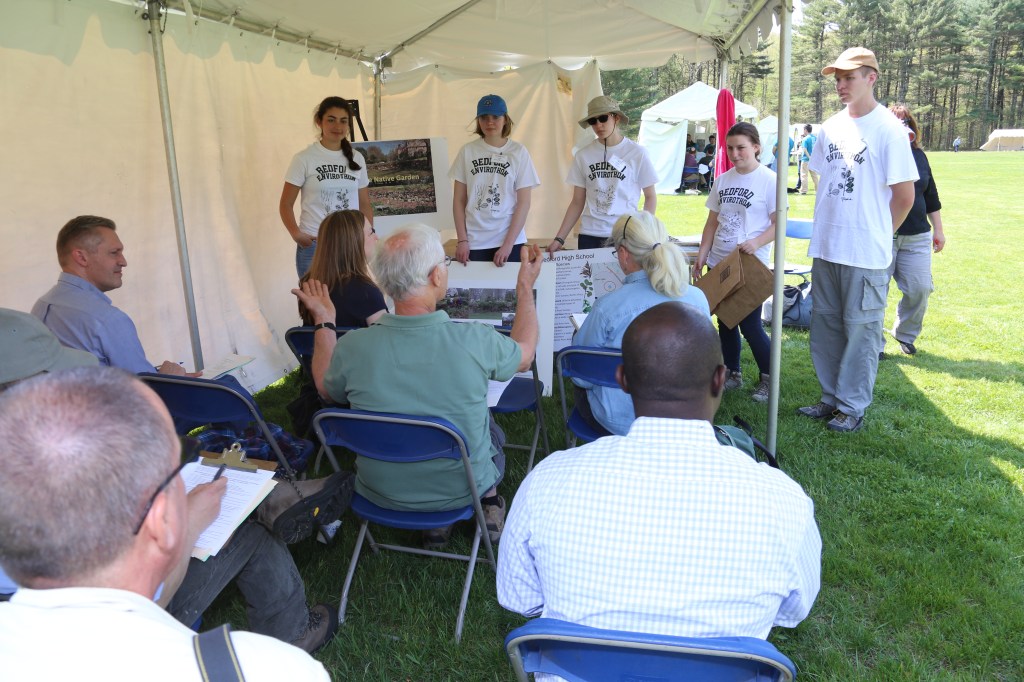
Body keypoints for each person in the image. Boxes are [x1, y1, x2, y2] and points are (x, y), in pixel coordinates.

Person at [0, 308, 345, 653]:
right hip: (106, 639)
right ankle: (293, 630)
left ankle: (266, 497)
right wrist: (190, 522)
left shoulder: (25, 465)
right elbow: (129, 597)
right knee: (244, 521)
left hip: (55, 628)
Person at [497, 302, 821, 656]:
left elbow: (523, 599)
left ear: (622, 379)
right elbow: (792, 611)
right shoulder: (783, 500)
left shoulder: (548, 481)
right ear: (720, 379)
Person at [294, 225, 543, 547]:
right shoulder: (474, 340)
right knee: (489, 428)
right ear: (436, 276)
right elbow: (524, 356)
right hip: (461, 487)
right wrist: (524, 286)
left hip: (379, 490)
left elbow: (326, 391)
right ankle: (489, 503)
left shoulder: (353, 347)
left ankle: (438, 528)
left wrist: (325, 322)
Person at [797, 47, 917, 433]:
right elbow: (820, 177)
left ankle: (852, 406)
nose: (841, 85)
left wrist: (879, 231)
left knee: (862, 330)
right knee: (826, 326)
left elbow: (904, 197)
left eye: (849, 77)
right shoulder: (830, 126)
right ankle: (830, 399)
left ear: (872, 78)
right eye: (837, 79)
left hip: (866, 253)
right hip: (827, 245)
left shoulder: (889, 130)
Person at [574, 211, 710, 435]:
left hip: (618, 424)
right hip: (684, 418)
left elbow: (580, 374)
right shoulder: (698, 299)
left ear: (624, 253)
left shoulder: (607, 308)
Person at [692, 122, 777, 403]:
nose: (735, 153)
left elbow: (779, 225)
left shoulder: (769, 180)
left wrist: (756, 242)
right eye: (730, 148)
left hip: (750, 264)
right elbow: (711, 221)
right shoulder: (723, 179)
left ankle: (768, 379)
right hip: (720, 261)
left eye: (741, 147)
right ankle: (732, 373)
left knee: (750, 326)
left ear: (756, 147)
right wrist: (703, 254)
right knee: (726, 323)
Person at [547, 96, 657, 253]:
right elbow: (577, 201)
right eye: (593, 121)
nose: (598, 125)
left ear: (616, 118)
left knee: (622, 278)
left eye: (603, 118)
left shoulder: (637, 153)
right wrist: (559, 238)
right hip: (589, 234)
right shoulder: (583, 155)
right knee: (588, 278)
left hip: (624, 233)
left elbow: (651, 196)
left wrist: (644, 231)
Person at [280, 97, 373, 278]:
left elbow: (365, 204)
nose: (337, 126)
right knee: (314, 302)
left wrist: (367, 234)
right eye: (331, 119)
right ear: (319, 122)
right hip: (315, 245)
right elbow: (285, 204)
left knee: (347, 302)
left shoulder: (357, 158)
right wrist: (296, 234)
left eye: (343, 121)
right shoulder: (304, 159)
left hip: (350, 244)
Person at [450, 94, 540, 266]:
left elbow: (524, 203)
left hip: (510, 240)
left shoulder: (519, 152)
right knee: (475, 292)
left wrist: (508, 245)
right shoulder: (467, 151)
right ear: (478, 120)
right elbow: (459, 200)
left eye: (495, 117)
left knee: (512, 291)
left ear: (505, 119)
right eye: (484, 117)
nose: (490, 122)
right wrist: (462, 240)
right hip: (474, 241)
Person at [886, 103, 946, 356]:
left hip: (917, 236)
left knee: (920, 288)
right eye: (896, 123)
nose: (902, 127)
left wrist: (938, 230)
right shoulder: (877, 155)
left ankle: (905, 334)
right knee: (874, 291)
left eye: (906, 122)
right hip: (883, 235)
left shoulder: (919, 156)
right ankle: (873, 344)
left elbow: (930, 195)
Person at [298, 209, 387, 328]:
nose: (377, 237)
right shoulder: (366, 292)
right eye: (371, 232)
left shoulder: (311, 287)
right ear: (353, 242)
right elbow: (386, 342)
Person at [799, 124, 819, 195]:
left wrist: (809, 157)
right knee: (814, 176)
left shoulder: (805, 139)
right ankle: (817, 190)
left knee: (804, 175)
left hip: (805, 159)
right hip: (814, 160)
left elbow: (804, 149)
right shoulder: (815, 138)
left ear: (805, 130)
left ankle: (804, 190)